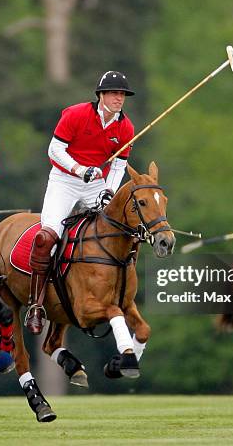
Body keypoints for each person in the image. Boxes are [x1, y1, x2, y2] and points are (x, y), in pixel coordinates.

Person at [25, 71, 136, 334]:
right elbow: (54, 150)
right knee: (46, 238)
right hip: (64, 180)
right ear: (101, 95)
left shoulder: (126, 128)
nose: (119, 98)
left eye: (122, 95)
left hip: (96, 186)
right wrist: (79, 169)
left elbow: (119, 166)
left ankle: (117, 294)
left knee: (120, 230)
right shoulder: (76, 114)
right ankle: (36, 305)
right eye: (113, 93)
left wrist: (109, 191)